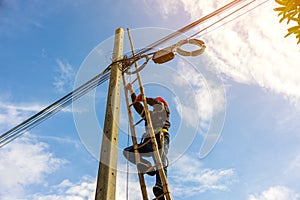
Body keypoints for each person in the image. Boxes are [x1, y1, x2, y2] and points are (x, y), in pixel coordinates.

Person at [123, 83, 170, 199]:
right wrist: (132, 92)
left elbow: (158, 104)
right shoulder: (150, 115)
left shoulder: (164, 111)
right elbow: (139, 107)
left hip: (160, 137)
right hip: (148, 141)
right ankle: (148, 166)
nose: (154, 107)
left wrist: (146, 99)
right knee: (128, 151)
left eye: (156, 104)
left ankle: (160, 187)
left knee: (161, 160)